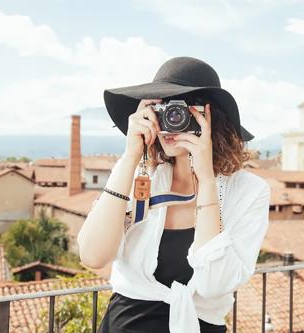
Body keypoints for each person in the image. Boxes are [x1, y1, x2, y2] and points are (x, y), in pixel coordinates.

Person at [77, 57, 271, 333]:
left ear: (210, 118)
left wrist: (205, 179)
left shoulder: (249, 192)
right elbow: (93, 255)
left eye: (181, 110)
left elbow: (213, 284)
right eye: (161, 109)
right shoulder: (140, 177)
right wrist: (131, 155)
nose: (171, 121)